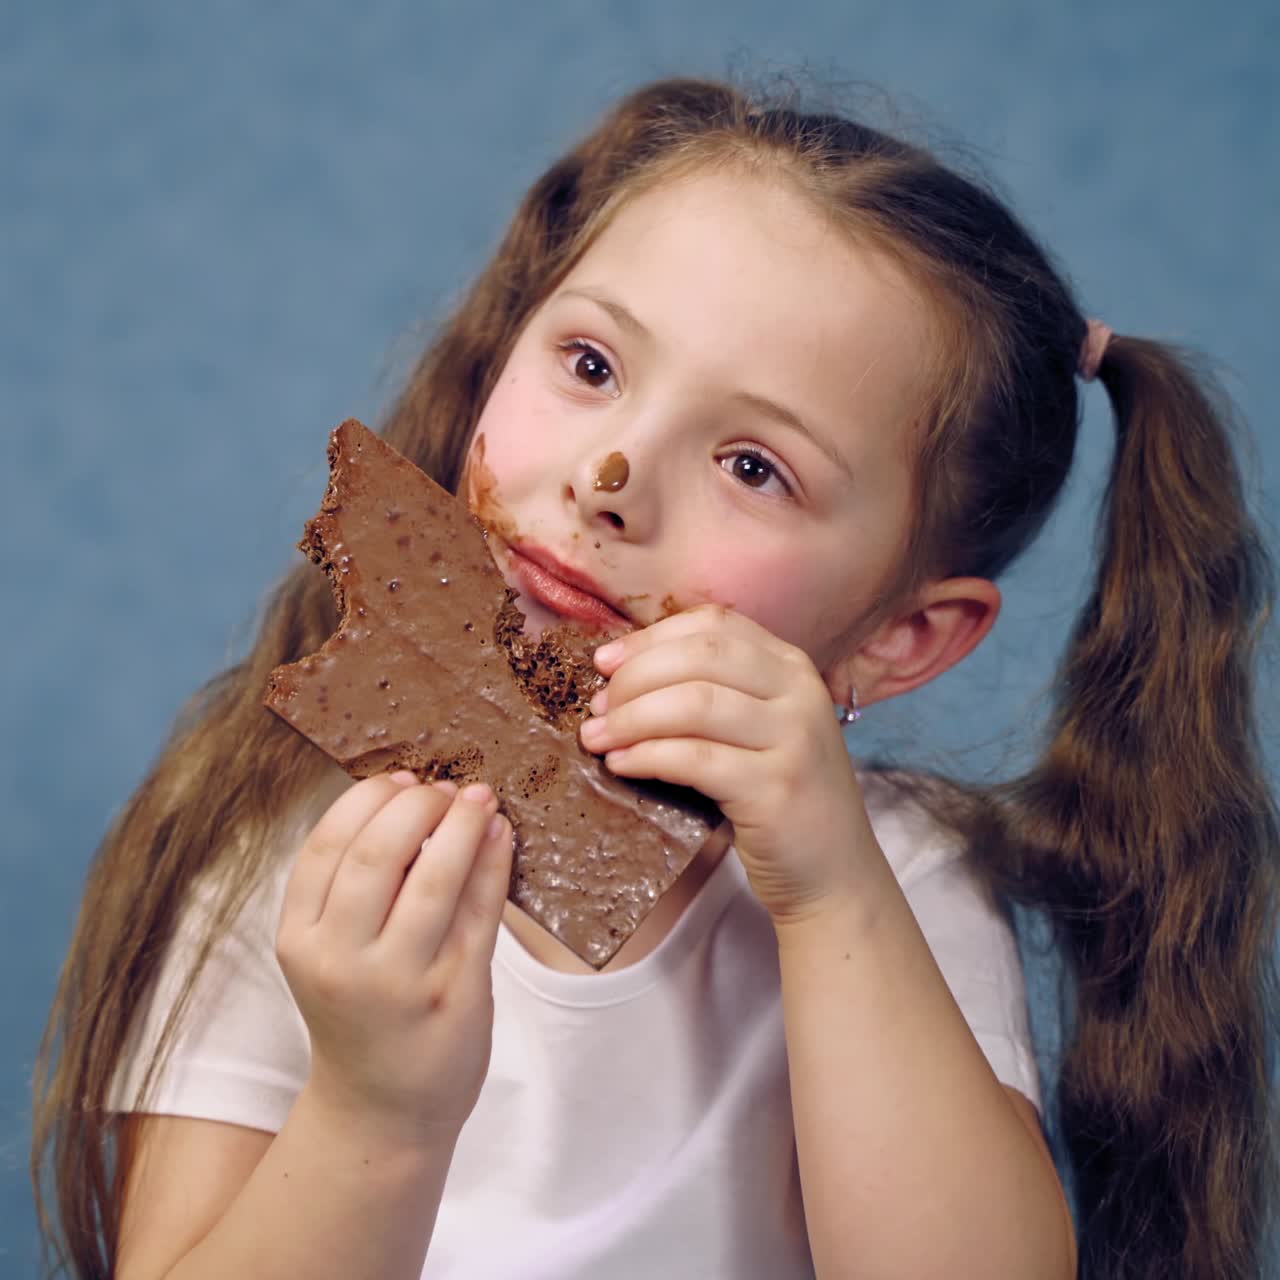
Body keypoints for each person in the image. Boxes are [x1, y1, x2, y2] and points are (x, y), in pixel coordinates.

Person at [31, 77, 1279, 1280]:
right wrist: (377, 1107)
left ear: (899, 638)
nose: (610, 472)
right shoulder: (286, 850)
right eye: (589, 366)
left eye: (751, 465)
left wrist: (830, 893)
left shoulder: (892, 877)